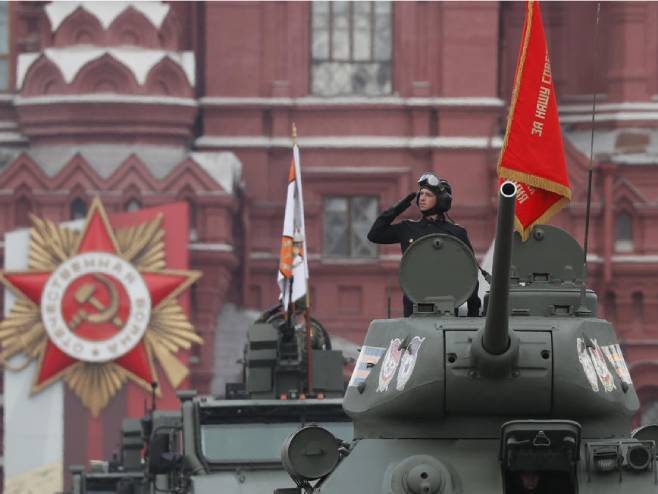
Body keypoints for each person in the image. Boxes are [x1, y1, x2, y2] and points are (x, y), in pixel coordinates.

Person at [367, 172, 481, 317]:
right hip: (413, 308)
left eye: (428, 195)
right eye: (421, 194)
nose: (422, 198)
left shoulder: (456, 233)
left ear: (441, 200)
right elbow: (374, 235)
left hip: (447, 309)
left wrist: (473, 312)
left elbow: (469, 273)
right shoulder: (408, 228)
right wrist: (399, 207)